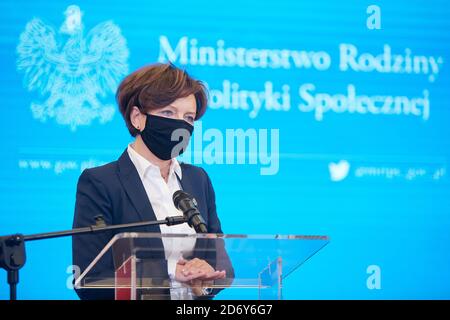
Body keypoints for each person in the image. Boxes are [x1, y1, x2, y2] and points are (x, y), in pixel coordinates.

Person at [72, 63, 233, 300]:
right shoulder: (101, 183)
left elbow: (222, 265)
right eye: (169, 113)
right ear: (137, 117)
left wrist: (207, 279)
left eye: (188, 117)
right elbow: (90, 280)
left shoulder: (198, 179)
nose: (181, 125)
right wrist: (170, 272)